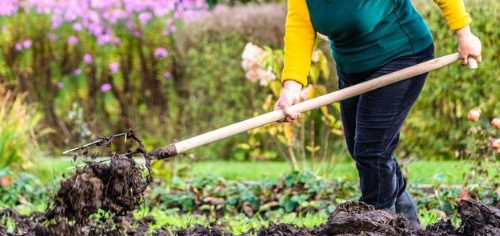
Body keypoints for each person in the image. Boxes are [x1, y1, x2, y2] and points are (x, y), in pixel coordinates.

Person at [274, 0, 482, 227]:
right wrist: (291, 87)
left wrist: (464, 33)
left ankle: (377, 226)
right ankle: (408, 224)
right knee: (362, 150)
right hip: (352, 68)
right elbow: (299, 28)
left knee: (372, 151)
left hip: (401, 55)